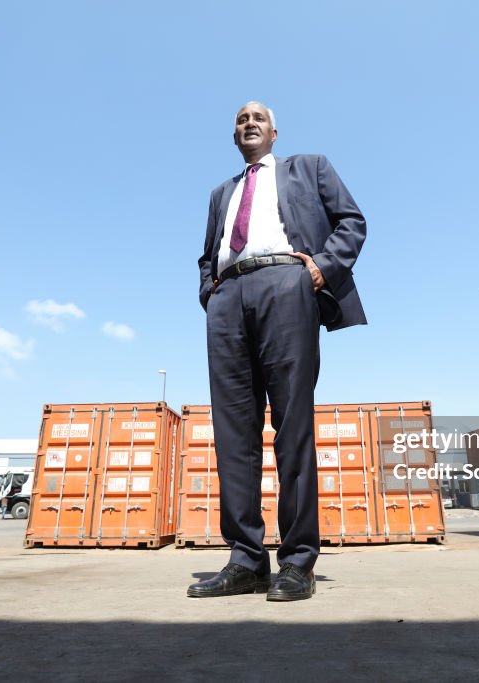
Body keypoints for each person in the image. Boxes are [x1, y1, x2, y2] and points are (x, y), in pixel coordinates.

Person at [188, 102, 367, 602]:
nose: (249, 123)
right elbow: (208, 253)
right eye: (241, 119)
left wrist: (320, 270)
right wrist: (212, 292)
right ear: (234, 135)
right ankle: (245, 560)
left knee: (292, 428)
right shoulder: (221, 192)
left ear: (273, 131)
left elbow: (352, 221)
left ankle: (297, 561)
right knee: (232, 435)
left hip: (288, 284)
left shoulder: (309, 167)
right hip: (229, 297)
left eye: (258, 117)